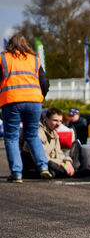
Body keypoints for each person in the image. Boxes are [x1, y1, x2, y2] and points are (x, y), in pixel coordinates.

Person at [1, 34, 51, 182]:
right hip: (34, 101)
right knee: (32, 135)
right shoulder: (34, 59)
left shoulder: (4, 58)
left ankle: (16, 173)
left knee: (11, 137)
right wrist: (40, 96)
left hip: (11, 100)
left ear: (9, 45)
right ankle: (43, 167)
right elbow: (45, 81)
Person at [29, 107, 75, 178]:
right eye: (55, 120)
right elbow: (42, 157)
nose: (58, 124)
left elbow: (59, 153)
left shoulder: (54, 133)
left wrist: (67, 162)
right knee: (61, 169)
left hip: (51, 161)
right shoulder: (38, 132)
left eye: (60, 121)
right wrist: (62, 164)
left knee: (71, 167)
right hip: (35, 164)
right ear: (46, 120)